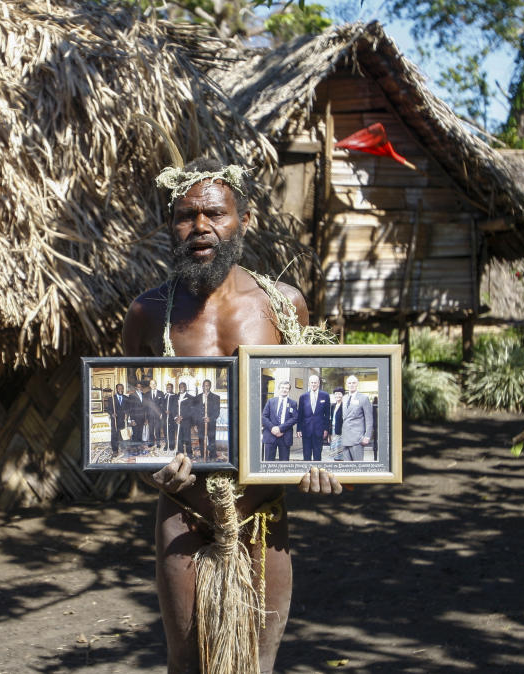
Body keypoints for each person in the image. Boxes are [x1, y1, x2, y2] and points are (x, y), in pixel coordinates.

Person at [121, 156, 341, 674]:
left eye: (215, 213)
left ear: (244, 218)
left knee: (258, 665)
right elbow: (126, 430)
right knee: (186, 662)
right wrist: (148, 469)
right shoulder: (148, 314)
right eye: (185, 215)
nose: (200, 227)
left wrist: (322, 465)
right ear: (169, 226)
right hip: (183, 515)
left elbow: (315, 415)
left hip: (264, 516)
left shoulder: (284, 306)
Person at [295, 373, 330, 461]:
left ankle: (317, 473)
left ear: (318, 384)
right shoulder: (303, 397)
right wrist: (298, 429)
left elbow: (327, 414)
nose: (313, 384)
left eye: (315, 382)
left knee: (317, 455)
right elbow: (300, 414)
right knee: (306, 455)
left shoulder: (325, 395)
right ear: (309, 384)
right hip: (306, 430)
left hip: (319, 431)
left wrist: (326, 429)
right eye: (312, 383)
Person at [261, 380, 297, 461]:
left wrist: (280, 428)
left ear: (289, 390)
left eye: (287, 388)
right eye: (282, 388)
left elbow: (295, 418)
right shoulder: (270, 401)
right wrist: (273, 428)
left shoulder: (293, 403)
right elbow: (264, 417)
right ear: (279, 389)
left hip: (285, 436)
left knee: (284, 464)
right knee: (268, 463)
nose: (284, 390)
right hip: (270, 435)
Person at [340, 375, 373, 461]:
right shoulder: (344, 398)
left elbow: (369, 419)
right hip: (345, 438)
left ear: (357, 384)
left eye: (354, 383)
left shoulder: (364, 398)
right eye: (349, 383)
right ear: (346, 384)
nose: (351, 385)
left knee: (358, 467)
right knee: (347, 468)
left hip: (357, 438)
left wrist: (367, 436)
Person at [197, 378, 220, 460]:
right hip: (200, 423)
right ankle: (203, 454)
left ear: (210, 386)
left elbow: (217, 412)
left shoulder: (215, 397)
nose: (206, 387)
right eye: (204, 385)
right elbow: (195, 411)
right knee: (201, 439)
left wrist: (210, 418)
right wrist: (196, 423)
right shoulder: (198, 397)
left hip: (211, 423)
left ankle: (213, 455)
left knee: (211, 439)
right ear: (202, 386)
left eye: (208, 385)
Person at [173, 380, 196, 458]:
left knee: (187, 437)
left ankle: (189, 453)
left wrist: (182, 417)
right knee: (179, 437)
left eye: (183, 386)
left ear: (186, 387)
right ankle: (180, 452)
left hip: (186, 421)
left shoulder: (190, 398)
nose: (181, 388)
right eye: (180, 387)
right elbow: (173, 408)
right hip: (177, 421)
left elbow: (191, 411)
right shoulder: (175, 397)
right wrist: (176, 417)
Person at [106, 383, 128, 458]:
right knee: (114, 435)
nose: (120, 390)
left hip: (122, 419)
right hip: (114, 420)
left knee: (120, 433)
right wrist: (112, 413)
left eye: (122, 388)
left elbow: (128, 408)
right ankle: (115, 450)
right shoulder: (111, 398)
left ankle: (122, 446)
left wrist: (126, 414)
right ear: (116, 389)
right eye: (119, 388)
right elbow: (108, 409)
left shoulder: (126, 398)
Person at [127, 380, 151, 448]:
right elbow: (131, 408)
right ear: (135, 388)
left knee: (140, 433)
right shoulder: (132, 396)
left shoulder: (144, 395)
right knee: (135, 433)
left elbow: (146, 408)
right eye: (138, 387)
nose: (139, 388)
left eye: (140, 387)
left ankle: (139, 446)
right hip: (135, 418)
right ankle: (135, 448)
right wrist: (132, 420)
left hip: (142, 418)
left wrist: (146, 419)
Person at [148, 379, 166, 450]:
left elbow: (163, 404)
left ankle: (158, 443)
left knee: (157, 429)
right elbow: (146, 406)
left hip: (158, 415)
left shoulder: (161, 393)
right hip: (150, 415)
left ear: (156, 384)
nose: (153, 385)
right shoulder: (147, 394)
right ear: (150, 385)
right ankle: (151, 442)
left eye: (154, 383)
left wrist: (161, 413)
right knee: (151, 429)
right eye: (152, 384)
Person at [329, 386, 345, 460]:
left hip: (341, 432)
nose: (337, 395)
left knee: (340, 453)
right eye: (336, 394)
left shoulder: (344, 406)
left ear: (343, 395)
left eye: (339, 394)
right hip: (333, 431)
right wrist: (329, 435)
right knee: (335, 452)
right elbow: (331, 419)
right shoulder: (333, 406)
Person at [162, 383, 178, 452]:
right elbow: (162, 405)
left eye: (170, 387)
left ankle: (171, 445)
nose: (168, 388)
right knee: (165, 431)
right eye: (167, 387)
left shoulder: (175, 396)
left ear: (172, 388)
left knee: (171, 431)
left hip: (171, 417)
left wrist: (170, 411)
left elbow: (176, 406)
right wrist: (164, 411)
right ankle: (167, 444)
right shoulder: (164, 396)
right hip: (165, 417)